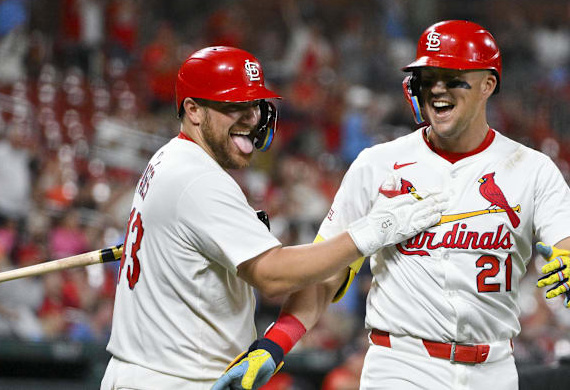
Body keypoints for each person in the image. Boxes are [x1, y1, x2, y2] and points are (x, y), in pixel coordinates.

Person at [219, 20, 570, 389]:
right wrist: (275, 343)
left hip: (494, 368)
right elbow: (326, 274)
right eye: (428, 79)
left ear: (488, 84)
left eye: (453, 80)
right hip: (402, 365)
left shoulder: (531, 169)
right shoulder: (377, 164)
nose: (437, 90)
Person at [100, 46, 447, 390]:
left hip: (155, 372)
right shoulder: (198, 178)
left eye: (254, 104)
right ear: (193, 110)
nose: (251, 118)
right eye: (234, 105)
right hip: (172, 378)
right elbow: (273, 276)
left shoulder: (170, 158)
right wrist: (370, 232)